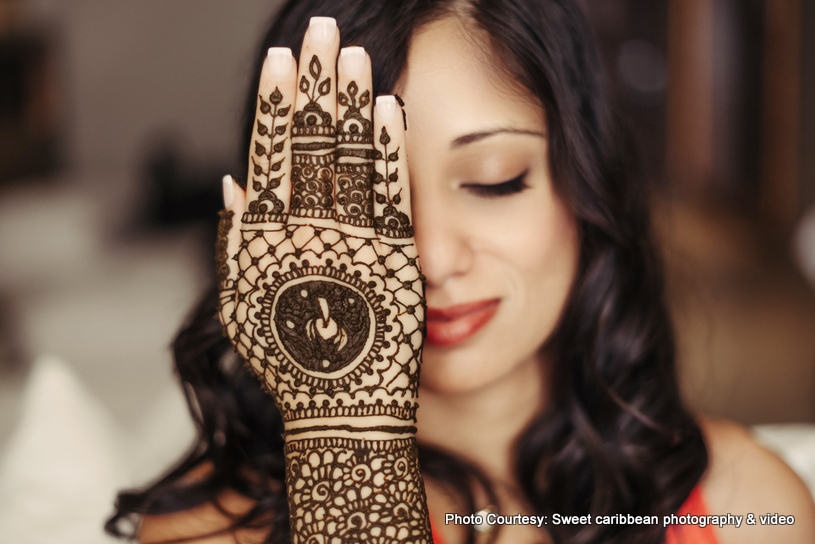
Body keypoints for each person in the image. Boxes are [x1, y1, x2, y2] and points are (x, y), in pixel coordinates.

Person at [106, 1, 815, 543]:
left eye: (495, 180)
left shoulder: (745, 504)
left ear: (584, 186)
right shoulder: (214, 527)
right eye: (375, 209)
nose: (434, 259)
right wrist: (347, 449)